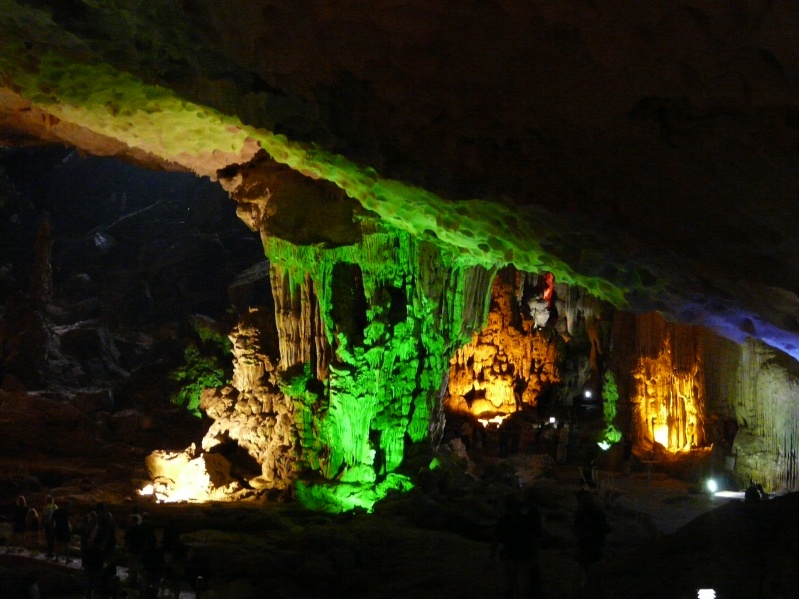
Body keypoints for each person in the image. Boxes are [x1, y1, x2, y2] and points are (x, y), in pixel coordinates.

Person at [490, 492, 545, 598]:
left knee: (511, 583)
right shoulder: (527, 517)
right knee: (524, 584)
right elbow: (537, 533)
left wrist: (492, 556)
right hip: (526, 554)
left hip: (513, 554)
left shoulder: (505, 520)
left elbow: (496, 538)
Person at [573, 491, 611, 598]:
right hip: (586, 542)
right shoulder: (581, 513)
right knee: (587, 563)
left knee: (593, 564)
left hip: (594, 542)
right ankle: (590, 582)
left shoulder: (596, 513)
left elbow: (605, 528)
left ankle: (593, 584)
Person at [53, 499, 73, 563]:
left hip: (58, 529)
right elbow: (70, 520)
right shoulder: (66, 511)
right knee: (67, 544)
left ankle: (56, 558)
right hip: (65, 529)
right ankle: (67, 558)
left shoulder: (56, 511)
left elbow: (52, 520)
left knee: (58, 544)